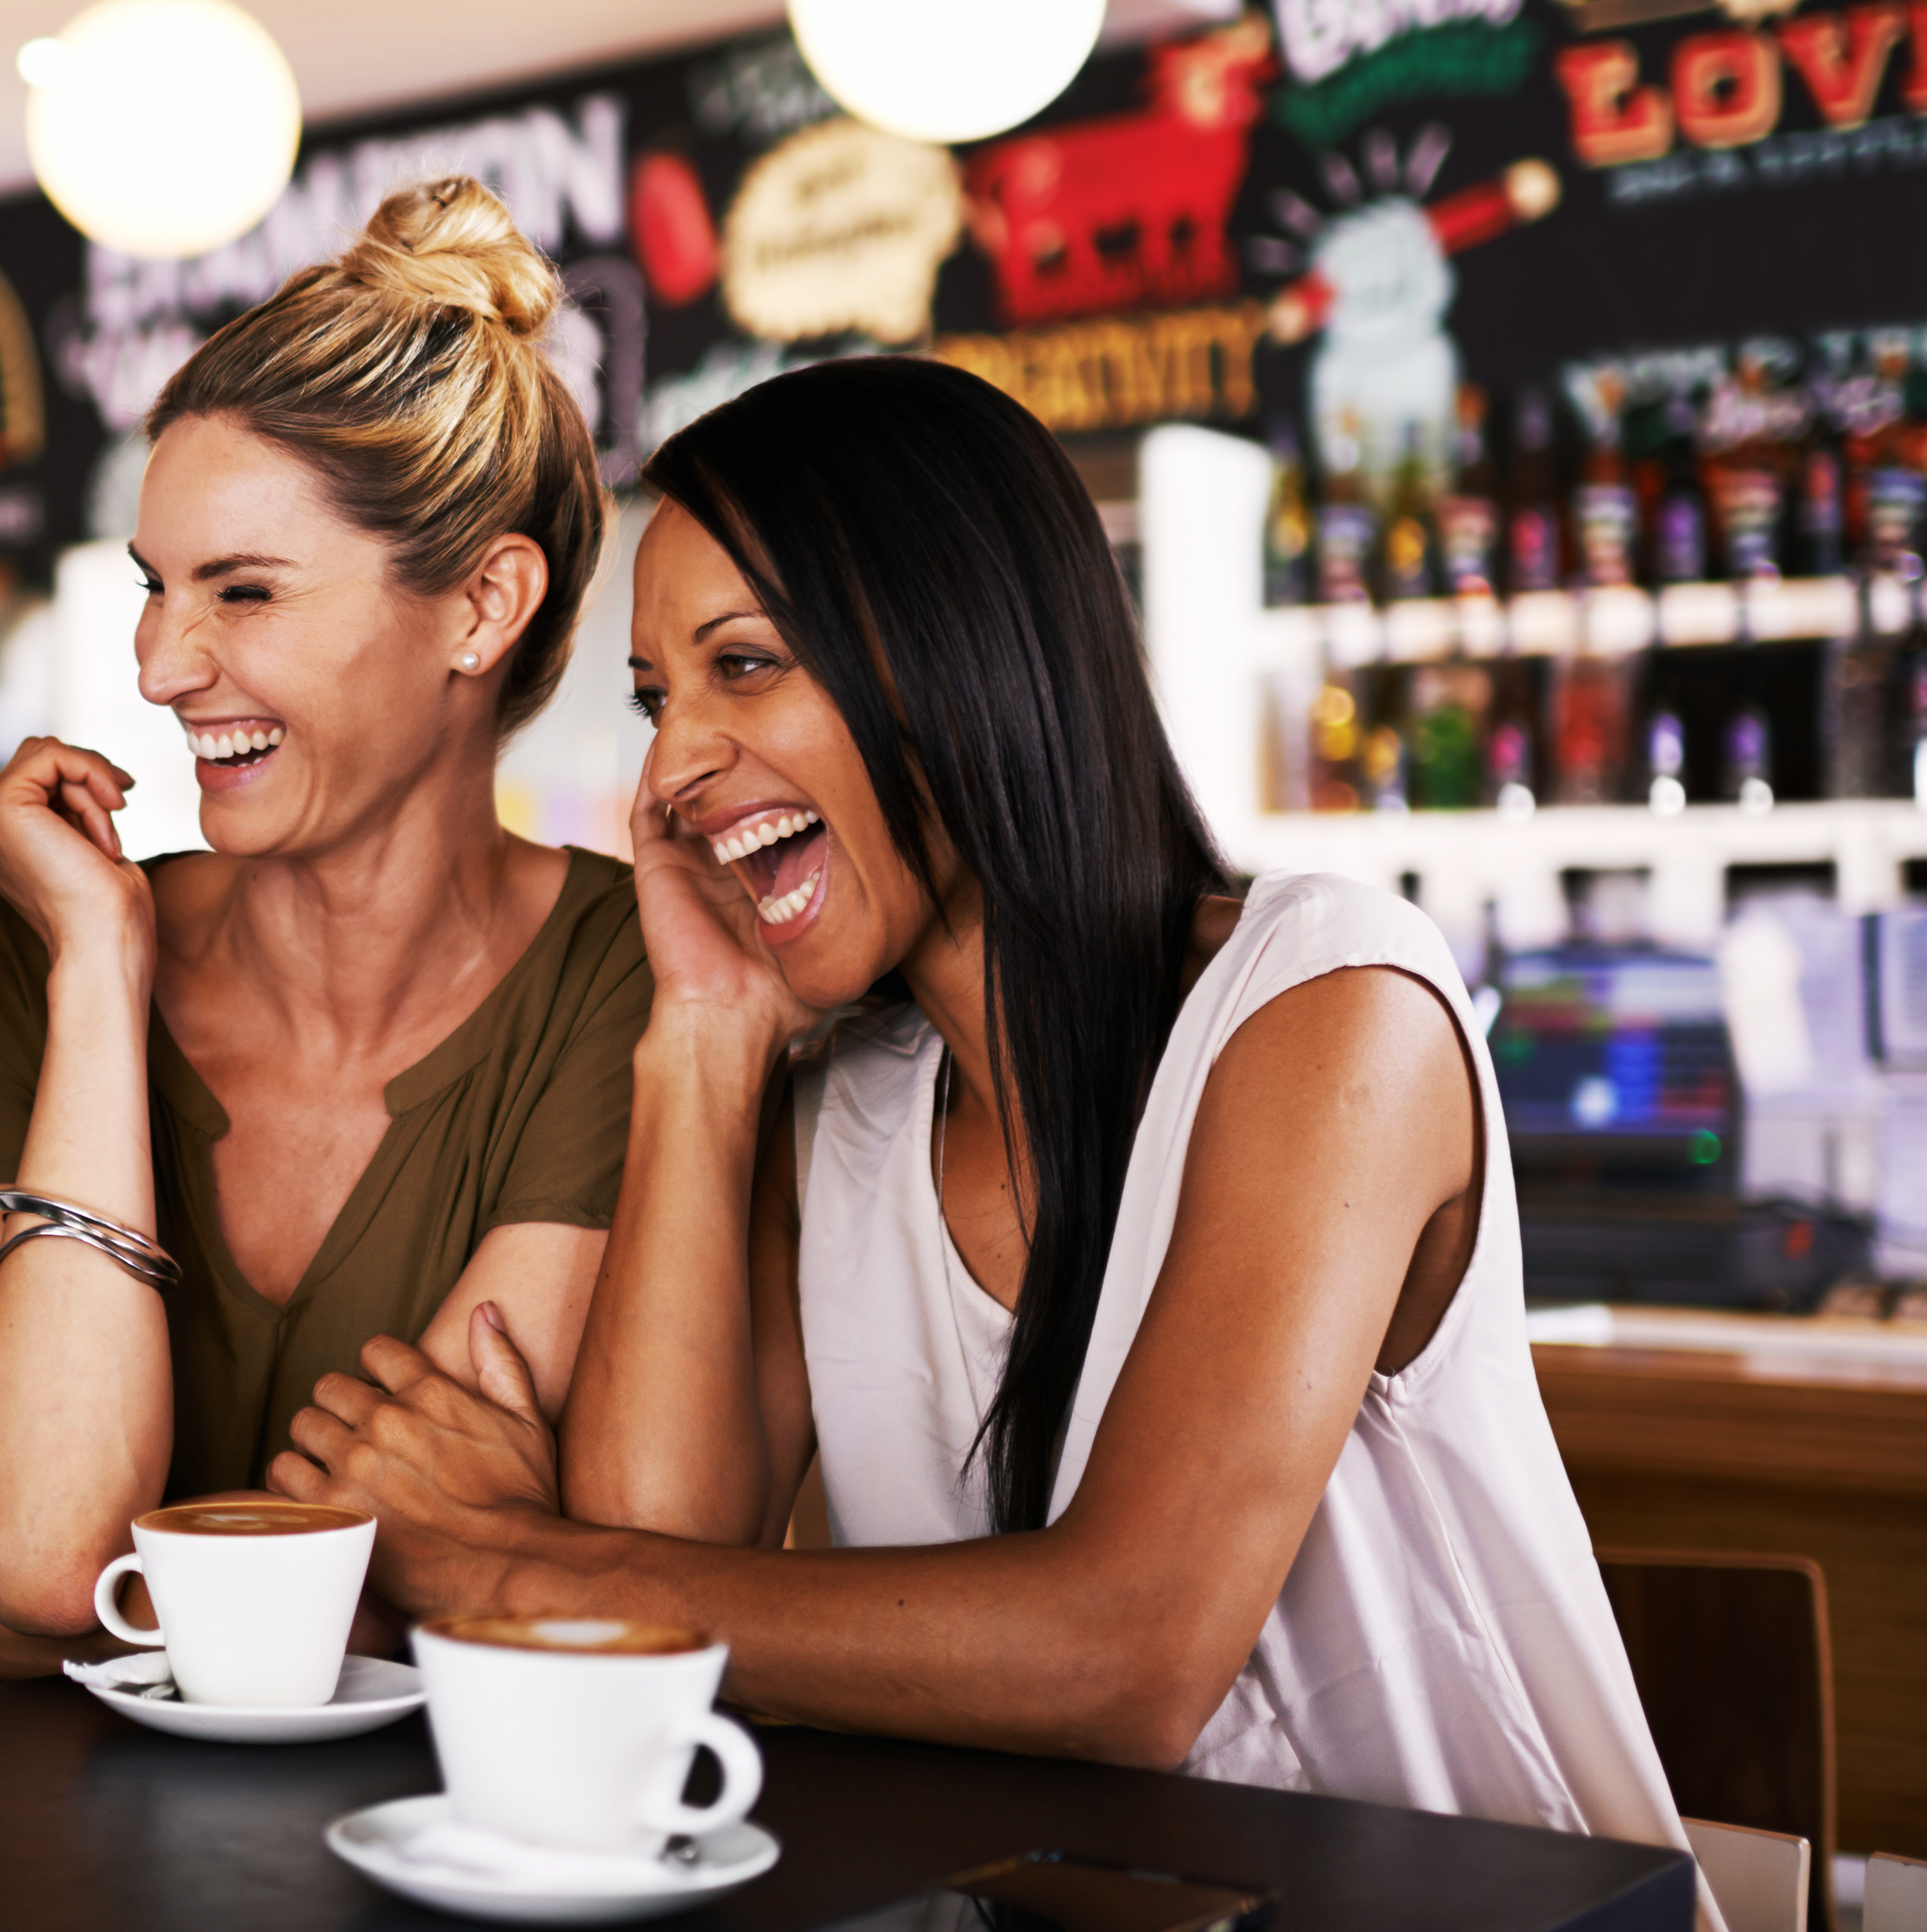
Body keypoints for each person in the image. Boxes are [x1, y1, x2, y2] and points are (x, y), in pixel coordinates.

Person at [266, 357, 1703, 1875]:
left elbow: (1125, 1656)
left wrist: (507, 1563)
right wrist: (701, 1036)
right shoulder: (836, 1106)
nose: (671, 768)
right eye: (655, 698)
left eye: (743, 665)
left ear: (965, 653)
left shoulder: (1327, 1005)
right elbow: (668, 1565)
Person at [0, 178, 644, 1676]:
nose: (162, 666)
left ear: (481, 606)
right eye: (155, 588)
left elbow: (413, 1577)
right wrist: (97, 968)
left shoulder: (625, 976)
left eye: (241, 591)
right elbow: (51, 1542)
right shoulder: (1, 962)